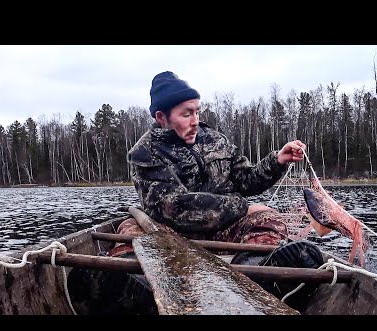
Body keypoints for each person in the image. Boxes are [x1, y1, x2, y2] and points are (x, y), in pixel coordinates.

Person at [112, 70, 308, 255]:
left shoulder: (216, 139)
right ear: (162, 118)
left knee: (270, 221)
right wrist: (243, 207)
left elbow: (245, 180)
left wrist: (277, 161)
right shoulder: (144, 153)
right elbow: (172, 208)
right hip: (171, 237)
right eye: (186, 114)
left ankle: (254, 273)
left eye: (197, 112)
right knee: (129, 231)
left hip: (225, 232)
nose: (195, 121)